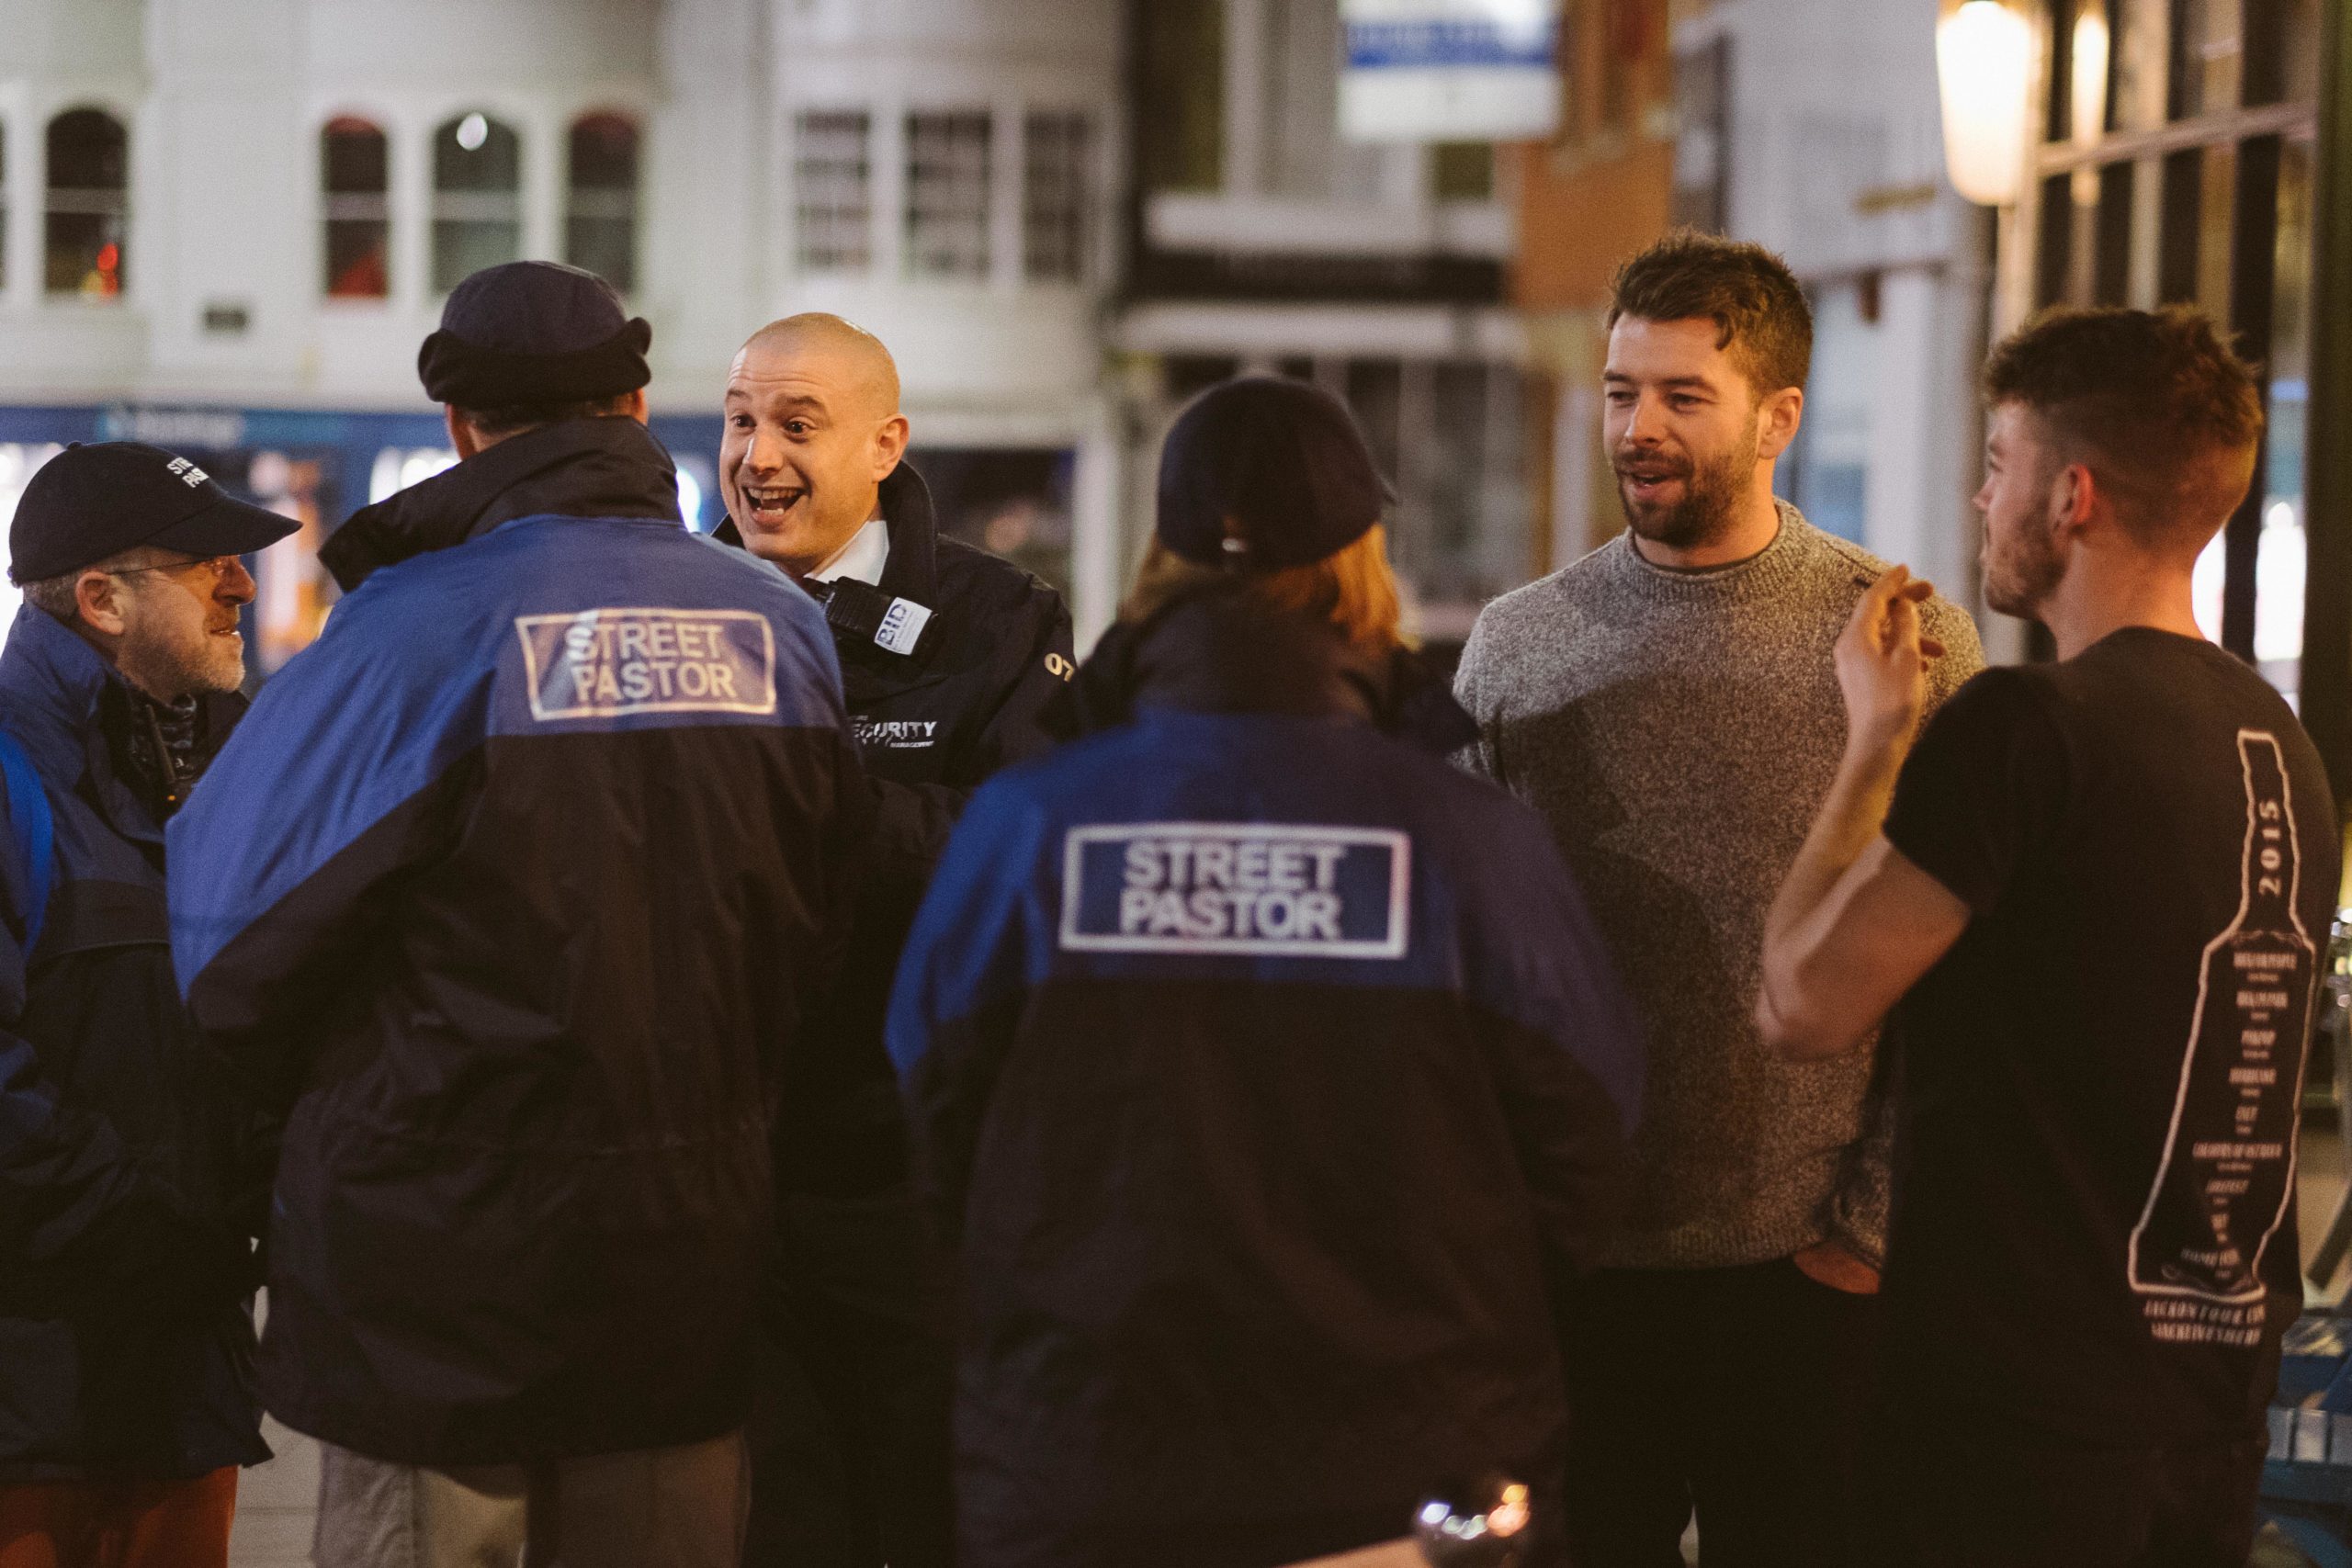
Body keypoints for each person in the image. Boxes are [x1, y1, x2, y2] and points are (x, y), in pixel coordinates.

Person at [165, 261, 870, 1568]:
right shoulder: (783, 633)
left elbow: (224, 949)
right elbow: (818, 942)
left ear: (460, 429)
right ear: (639, 404)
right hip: (688, 1276)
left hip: (437, 1298)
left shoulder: (412, 634)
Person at [888, 376, 1645, 1568]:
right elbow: (1589, 1152)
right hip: (1405, 1489)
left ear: (1164, 554)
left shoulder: (1029, 826)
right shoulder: (1467, 838)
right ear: (1357, 562)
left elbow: (935, 1127)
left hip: (1087, 1476)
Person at [1758, 304, 2326, 1567]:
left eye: (2001, 464)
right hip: (2207, 1419)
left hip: (2017, 1428)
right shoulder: (2280, 745)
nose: (1979, 494)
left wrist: (1871, 742)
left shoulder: (2027, 726)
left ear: (2072, 496)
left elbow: (1801, 1001)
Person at [1452, 231, 1984, 1566]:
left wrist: (1863, 1233)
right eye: (1625, 390)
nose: (1640, 427)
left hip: (1810, 1277)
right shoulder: (1519, 644)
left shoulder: (1898, 635)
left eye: (1685, 395)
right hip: (1580, 1265)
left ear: (1779, 418)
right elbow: (1468, 966)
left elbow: (1966, 982)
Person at [713, 314, 1073, 1567]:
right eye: (739, 417)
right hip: (725, 1184)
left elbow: (1023, 862)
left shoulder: (996, 622)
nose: (756, 455)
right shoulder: (671, 606)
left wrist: (824, 801)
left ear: (886, 444)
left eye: (795, 423)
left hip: (917, 1192)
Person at [0, 442, 292, 1568]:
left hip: (186, 1378)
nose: (244, 585)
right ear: (100, 600)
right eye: (208, 561)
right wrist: (150, 1226)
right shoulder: (14, 777)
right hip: (34, 1407)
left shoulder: (226, 766)